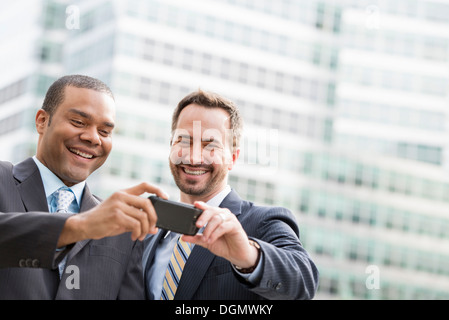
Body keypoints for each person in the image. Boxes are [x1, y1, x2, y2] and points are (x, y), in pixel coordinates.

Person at [0, 75, 167, 299]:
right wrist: (79, 225)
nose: (93, 138)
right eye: (78, 122)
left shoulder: (123, 230)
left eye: (105, 132)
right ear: (41, 121)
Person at [143, 89, 319, 300]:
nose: (194, 156)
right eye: (183, 140)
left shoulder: (262, 222)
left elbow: (304, 282)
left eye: (211, 145)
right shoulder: (149, 231)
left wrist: (248, 255)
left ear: (232, 158)